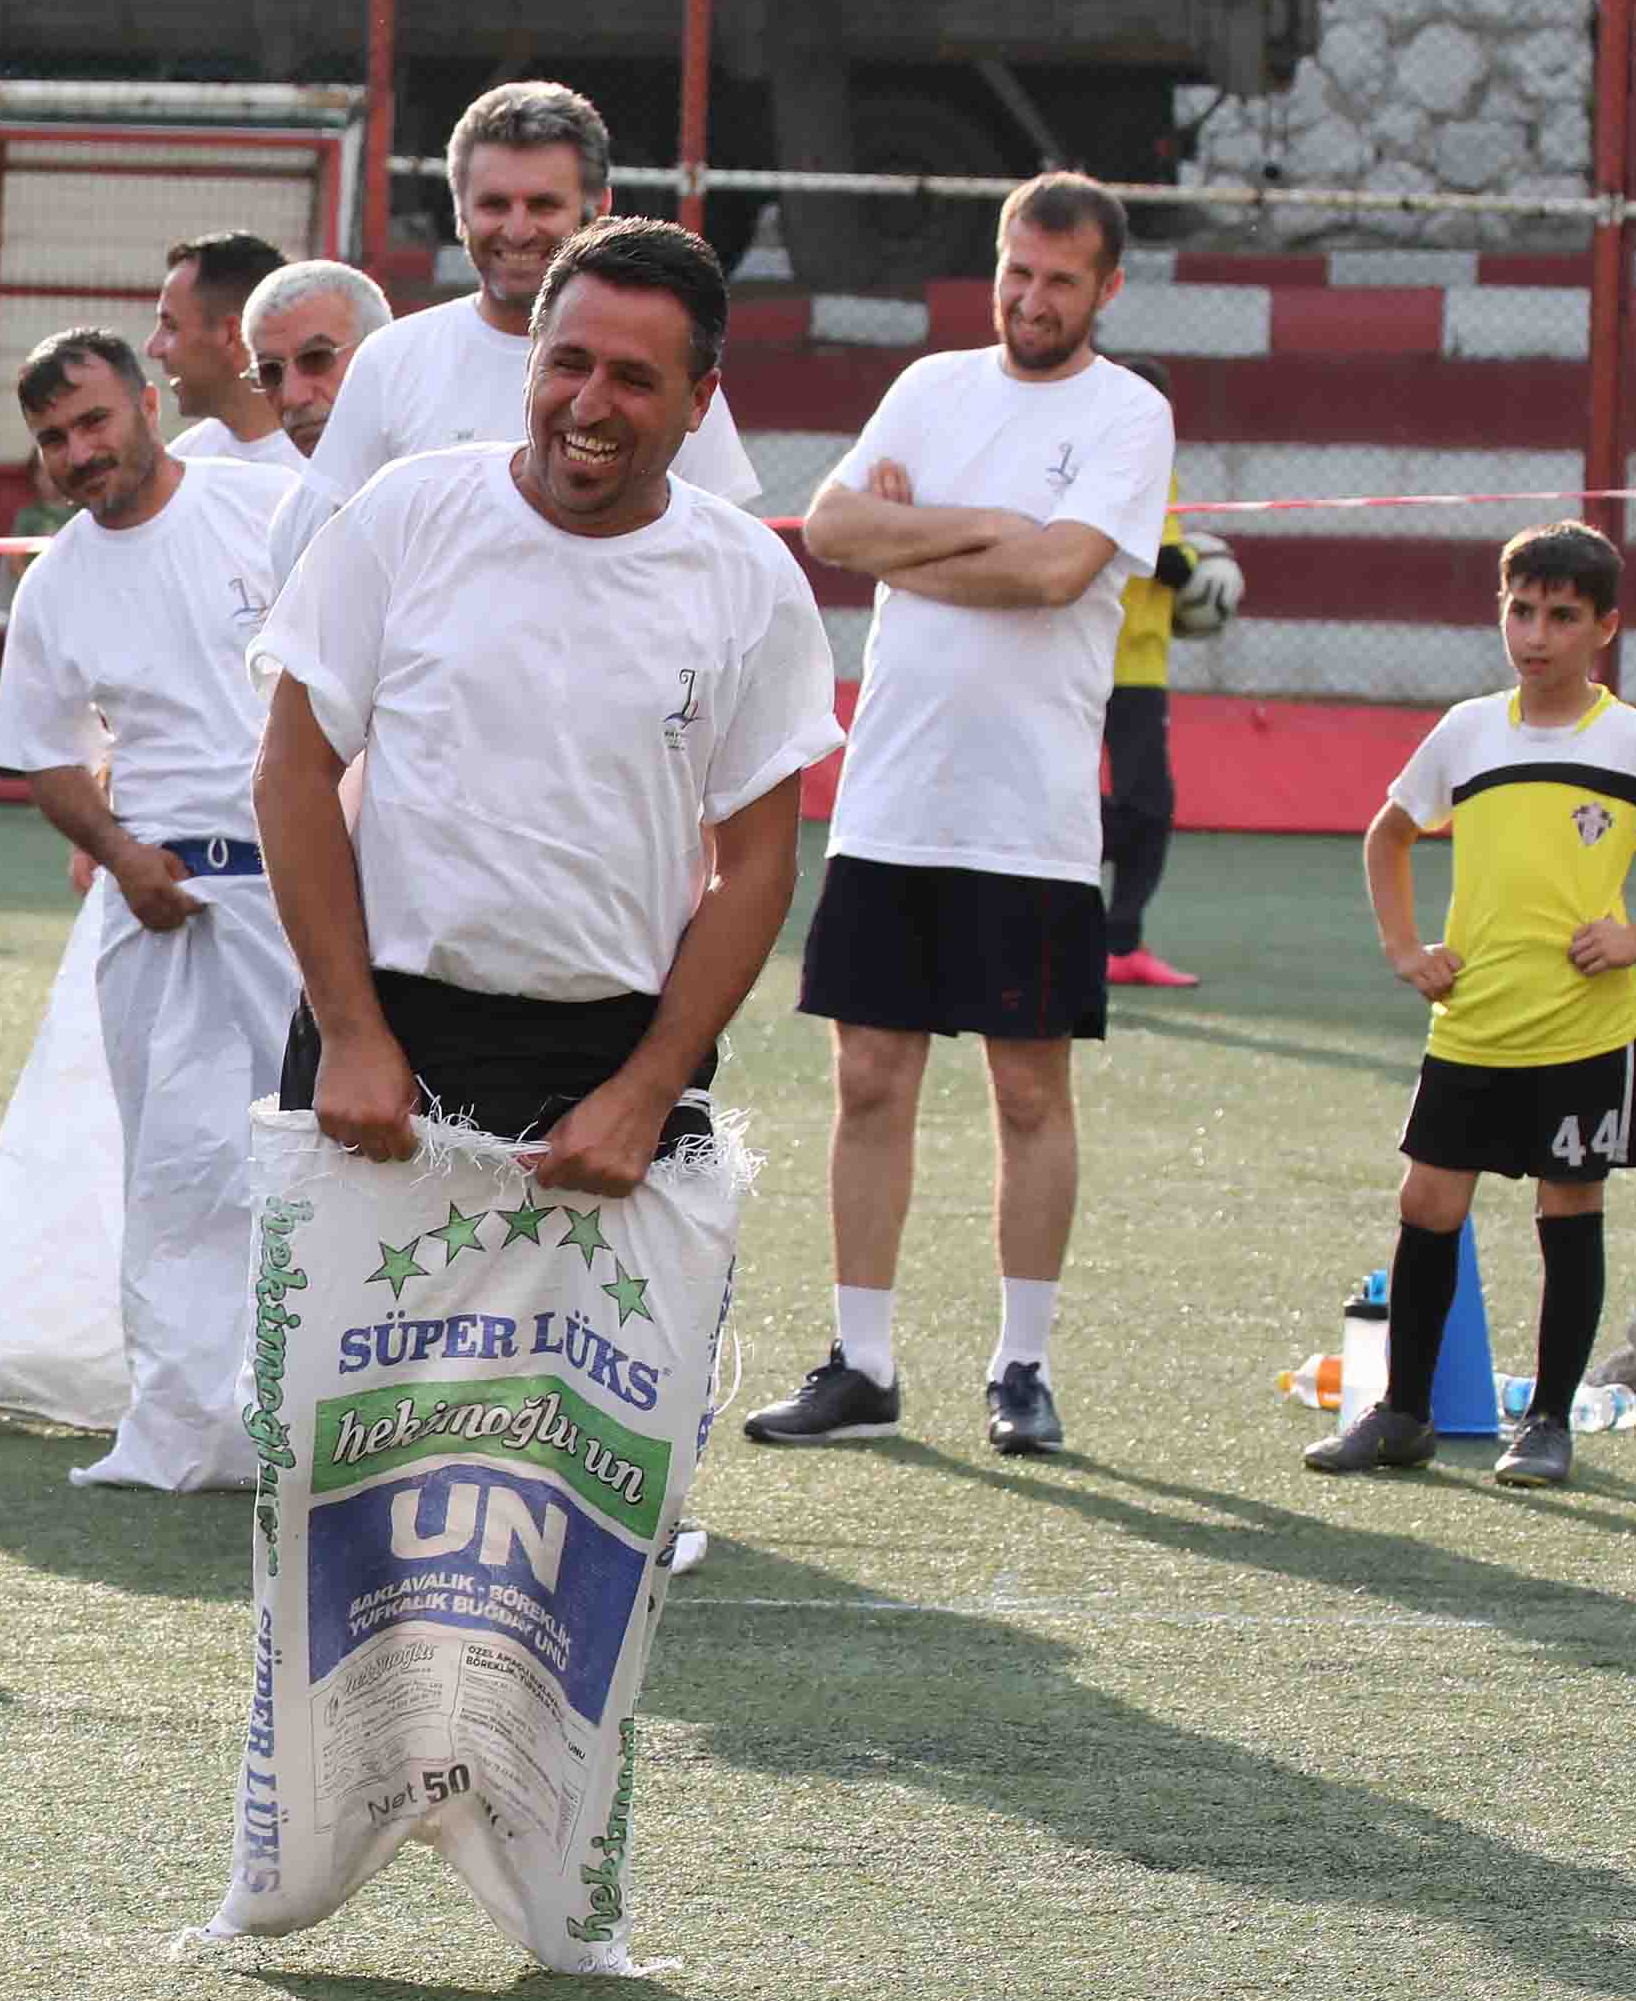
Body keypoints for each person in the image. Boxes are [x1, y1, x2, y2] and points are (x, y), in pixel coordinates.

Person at [252, 218, 838, 1190]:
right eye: (565, 362)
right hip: (383, 1043)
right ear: (529, 360)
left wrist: (648, 1088)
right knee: (342, 1352)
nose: (588, 403)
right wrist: (350, 1029)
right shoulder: (404, 513)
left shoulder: (749, 579)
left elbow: (756, 860)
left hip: (618, 1064)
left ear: (699, 402)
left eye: (632, 378)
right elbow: (290, 771)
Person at [747, 171, 1176, 1462]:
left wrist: (912, 536)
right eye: (1014, 270)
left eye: (1058, 280)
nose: (1029, 299)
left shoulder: (1130, 412)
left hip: (1030, 814)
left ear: (1105, 288)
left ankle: (1022, 1365)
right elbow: (828, 525)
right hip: (890, 801)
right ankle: (862, 1363)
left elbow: (1059, 575)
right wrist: (986, 523)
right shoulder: (932, 387)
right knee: (868, 1081)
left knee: (1029, 1095)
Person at [1307, 522, 1636, 1490]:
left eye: (1559, 615)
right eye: (1517, 609)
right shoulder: (1466, 729)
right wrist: (1402, 947)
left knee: (1567, 1203)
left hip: (1582, 1031)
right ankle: (1403, 1411)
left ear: (1604, 628)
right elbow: (1386, 836)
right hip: (1471, 1022)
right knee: (1424, 1200)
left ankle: (1545, 1421)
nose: (1533, 632)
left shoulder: (1633, 741)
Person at [0, 329, 302, 1490]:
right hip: (155, 903)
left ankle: (317, 1415)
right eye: (55, 439)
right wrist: (120, 855)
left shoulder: (266, 507)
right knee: (170, 1166)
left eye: (93, 422)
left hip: (304, 890)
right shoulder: (56, 579)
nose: (78, 452)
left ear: (148, 403)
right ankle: (179, 1428)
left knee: (317, 1152)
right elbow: (45, 757)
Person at [277, 82, 760, 580]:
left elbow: (719, 552)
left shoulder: (662, 364)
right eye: (494, 205)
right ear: (460, 213)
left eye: (543, 205)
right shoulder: (391, 359)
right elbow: (314, 556)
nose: (518, 229)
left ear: (599, 210)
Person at [238, 259, 395, 584]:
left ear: (382, 350)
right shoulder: (293, 524)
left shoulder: (455, 479)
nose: (293, 396)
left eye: (317, 358)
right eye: (270, 371)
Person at [1102, 487, 1198, 987]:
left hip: (1139, 667)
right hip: (1085, 657)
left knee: (1149, 808)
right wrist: (1186, 562)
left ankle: (1120, 944)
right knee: (1059, 802)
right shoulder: (1113, 453)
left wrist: (1186, 559)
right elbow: (1158, 558)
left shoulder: (1162, 465)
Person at [147, 231, 300, 469]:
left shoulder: (324, 476)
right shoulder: (187, 457)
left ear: (233, 335)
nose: (152, 348)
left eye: (170, 326)